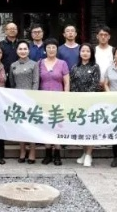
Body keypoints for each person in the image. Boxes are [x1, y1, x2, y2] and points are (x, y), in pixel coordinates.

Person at [38, 38, 70, 166]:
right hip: (44, 99)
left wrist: (66, 96)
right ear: (45, 50)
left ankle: (57, 153)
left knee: (57, 126)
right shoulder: (39, 63)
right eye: (48, 47)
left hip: (58, 99)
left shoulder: (62, 63)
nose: (51, 50)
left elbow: (66, 82)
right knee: (46, 126)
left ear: (57, 49)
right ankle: (47, 154)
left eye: (53, 47)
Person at [70, 43, 101, 167]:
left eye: (88, 51)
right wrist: (77, 98)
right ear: (79, 53)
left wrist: (86, 98)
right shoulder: (75, 67)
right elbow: (72, 84)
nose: (85, 53)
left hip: (90, 102)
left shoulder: (95, 67)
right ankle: (84, 152)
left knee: (90, 129)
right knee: (81, 128)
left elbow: (95, 84)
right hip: (78, 103)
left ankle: (89, 154)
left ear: (91, 53)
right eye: (83, 51)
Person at [8, 40, 39, 164]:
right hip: (17, 100)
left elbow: (36, 82)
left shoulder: (34, 64)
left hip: (31, 99)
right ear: (17, 51)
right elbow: (12, 82)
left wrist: (32, 97)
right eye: (20, 49)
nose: (23, 51)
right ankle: (22, 150)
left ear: (29, 50)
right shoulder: (13, 65)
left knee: (31, 126)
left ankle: (32, 151)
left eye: (25, 49)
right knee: (20, 126)